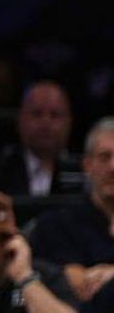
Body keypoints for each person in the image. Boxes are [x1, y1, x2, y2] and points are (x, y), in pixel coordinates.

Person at [30, 117, 114, 311]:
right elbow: (78, 287)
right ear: (87, 166)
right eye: (104, 157)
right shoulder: (56, 225)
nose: (113, 167)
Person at [0, 81, 81, 196]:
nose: (46, 123)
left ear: (69, 122)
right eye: (37, 114)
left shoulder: (83, 173)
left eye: (55, 115)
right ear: (20, 120)